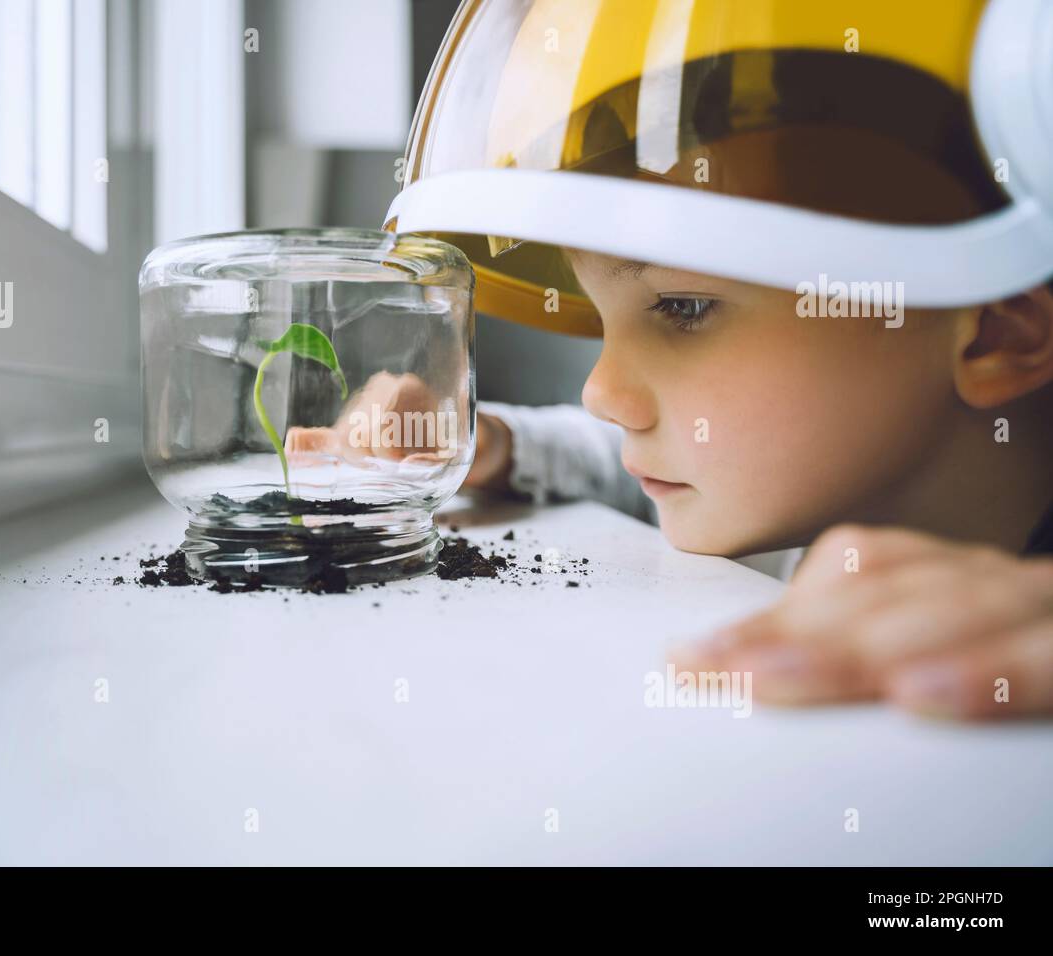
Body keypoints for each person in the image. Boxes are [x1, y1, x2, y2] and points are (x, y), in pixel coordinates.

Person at [310, 0, 1053, 720]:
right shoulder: (796, 490)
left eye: (684, 308)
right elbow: (651, 470)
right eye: (604, 319)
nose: (600, 389)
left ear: (996, 336)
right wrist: (499, 448)